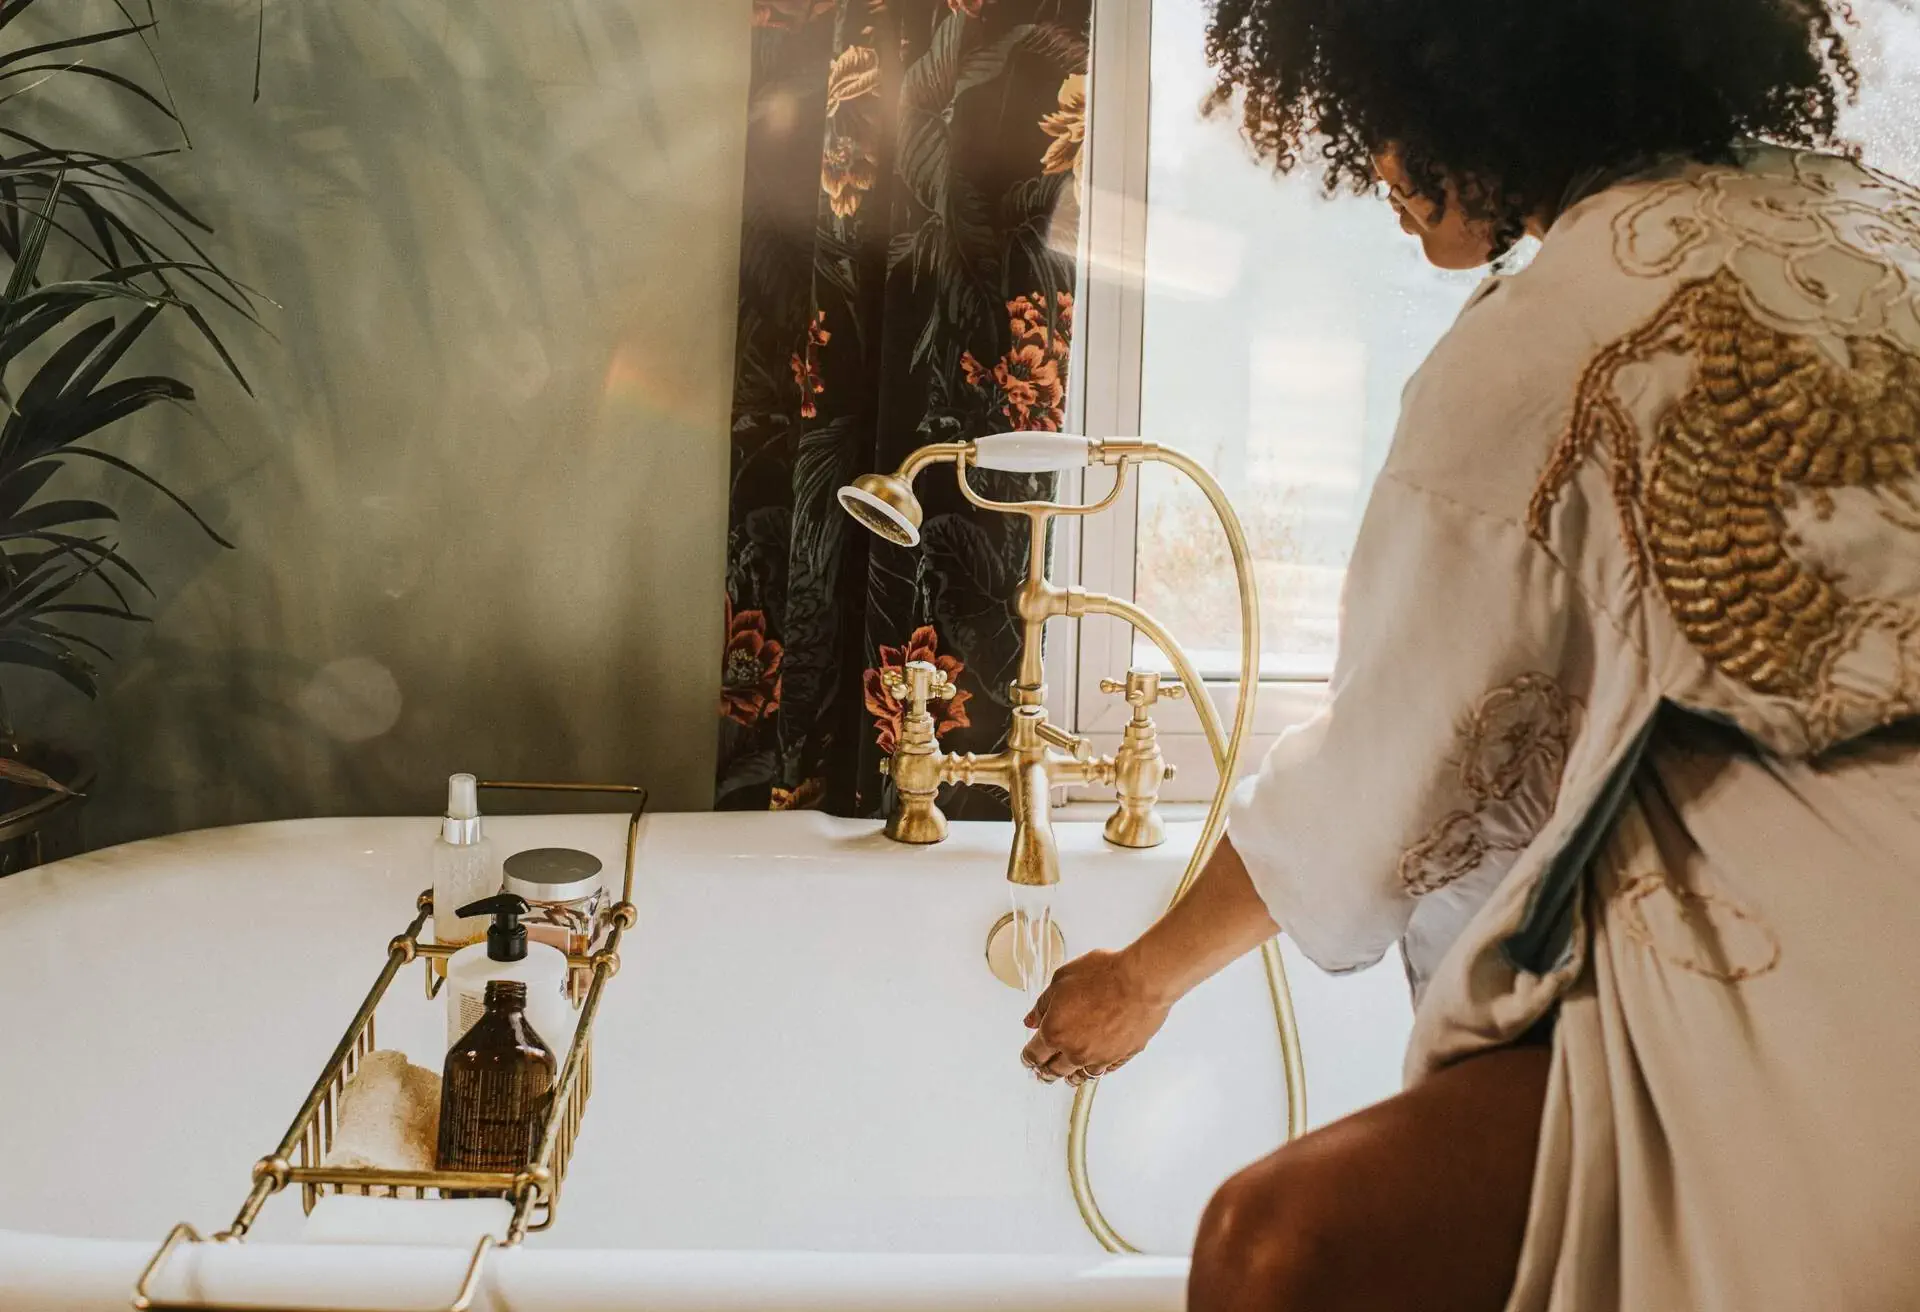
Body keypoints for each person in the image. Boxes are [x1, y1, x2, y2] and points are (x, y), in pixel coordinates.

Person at [1020, 2, 1920, 1308]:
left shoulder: (1539, 350)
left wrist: (1141, 978)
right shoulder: (1884, 229)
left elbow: (1390, 787)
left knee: (1271, 1252)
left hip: (1828, 984)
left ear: (1471, 85)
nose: (1375, 167)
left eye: (1379, 118)